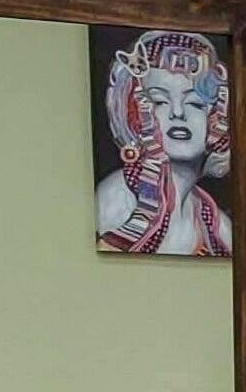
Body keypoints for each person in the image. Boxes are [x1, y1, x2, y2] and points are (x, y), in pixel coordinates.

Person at [95, 29, 232, 256]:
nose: (177, 113)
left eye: (195, 104)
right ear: (135, 113)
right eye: (159, 101)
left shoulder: (216, 224)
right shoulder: (115, 198)